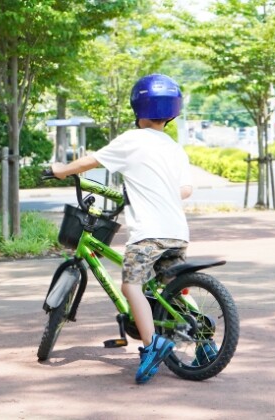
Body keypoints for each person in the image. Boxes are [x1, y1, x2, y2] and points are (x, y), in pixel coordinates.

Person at [51, 74, 193, 384]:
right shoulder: (174, 148)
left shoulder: (132, 139)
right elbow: (185, 190)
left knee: (132, 286)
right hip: (178, 231)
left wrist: (61, 170)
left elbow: (93, 161)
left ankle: (151, 344)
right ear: (171, 113)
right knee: (171, 289)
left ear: (137, 108)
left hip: (149, 233)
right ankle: (203, 342)